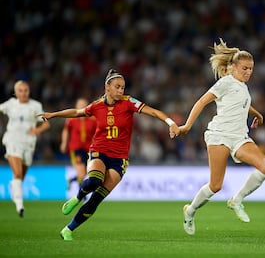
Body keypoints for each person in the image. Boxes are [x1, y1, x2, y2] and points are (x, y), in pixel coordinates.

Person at [39, 69, 180, 241]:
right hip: (99, 150)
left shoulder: (129, 102)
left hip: (119, 159)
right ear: (108, 87)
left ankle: (68, 230)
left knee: (96, 199)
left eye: (123, 87)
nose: (121, 91)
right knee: (95, 180)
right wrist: (53, 115)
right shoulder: (97, 106)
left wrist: (170, 123)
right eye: (118, 87)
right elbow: (77, 113)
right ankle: (78, 197)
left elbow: (153, 112)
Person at [178, 39, 265, 235]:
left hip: (239, 137)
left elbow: (241, 105)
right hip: (219, 135)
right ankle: (190, 210)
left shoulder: (243, 87)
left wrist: (257, 114)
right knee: (215, 185)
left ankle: (237, 200)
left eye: (251, 69)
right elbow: (202, 101)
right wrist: (187, 125)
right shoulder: (226, 82)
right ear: (234, 67)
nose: (248, 72)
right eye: (245, 68)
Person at [0, 80, 50, 217]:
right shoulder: (10, 104)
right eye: (20, 90)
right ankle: (19, 206)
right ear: (15, 92)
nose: (23, 93)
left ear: (29, 91)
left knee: (21, 175)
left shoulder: (35, 106)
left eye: (25, 90)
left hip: (28, 144)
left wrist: (38, 130)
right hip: (12, 141)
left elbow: (46, 124)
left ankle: (14, 187)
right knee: (16, 173)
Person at [60, 98, 97, 190]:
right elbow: (66, 130)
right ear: (76, 107)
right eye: (80, 105)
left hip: (88, 149)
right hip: (76, 148)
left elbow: (97, 133)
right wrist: (64, 143)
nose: (82, 107)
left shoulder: (93, 119)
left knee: (84, 173)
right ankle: (82, 197)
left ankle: (71, 180)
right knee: (81, 173)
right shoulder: (72, 119)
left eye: (84, 105)